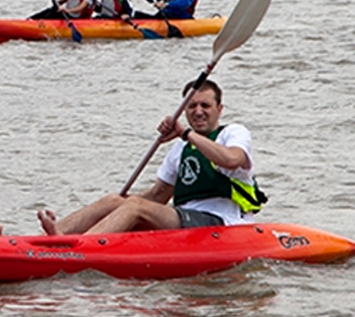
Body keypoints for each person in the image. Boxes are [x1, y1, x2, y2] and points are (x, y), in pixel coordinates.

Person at [37, 80, 264, 235]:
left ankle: (79, 247)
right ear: (184, 110)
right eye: (192, 106)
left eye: (205, 105)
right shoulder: (180, 149)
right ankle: (48, 238)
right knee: (115, 199)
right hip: (185, 218)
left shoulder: (233, 133)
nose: (198, 111)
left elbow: (231, 159)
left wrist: (186, 133)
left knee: (136, 206)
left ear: (219, 109)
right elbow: (158, 196)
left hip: (221, 221)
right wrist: (117, 206)